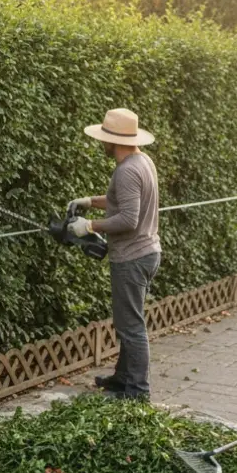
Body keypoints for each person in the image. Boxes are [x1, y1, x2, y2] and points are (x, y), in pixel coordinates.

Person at [67, 108, 161, 400]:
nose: (102, 144)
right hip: (146, 252)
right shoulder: (142, 161)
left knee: (131, 326)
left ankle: (137, 392)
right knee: (127, 322)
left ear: (113, 140)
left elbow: (128, 219)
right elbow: (118, 200)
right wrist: (88, 201)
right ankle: (122, 379)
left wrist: (89, 226)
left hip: (132, 257)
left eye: (105, 139)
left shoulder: (127, 170)